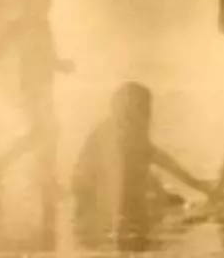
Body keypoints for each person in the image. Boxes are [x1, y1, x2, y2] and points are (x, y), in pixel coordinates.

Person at [0, 0, 76, 234]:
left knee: (46, 132)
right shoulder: (24, 24)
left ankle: (39, 176)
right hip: (32, 86)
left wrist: (61, 65)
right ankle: (36, 177)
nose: (46, 4)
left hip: (42, 84)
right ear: (28, 0)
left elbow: (47, 55)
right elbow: (1, 45)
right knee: (46, 131)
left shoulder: (41, 23)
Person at [72, 83, 213, 230]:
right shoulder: (114, 134)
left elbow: (153, 159)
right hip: (96, 198)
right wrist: (195, 185)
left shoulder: (124, 130)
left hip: (102, 194)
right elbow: (154, 160)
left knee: (167, 198)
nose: (148, 115)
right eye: (144, 109)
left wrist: (195, 184)